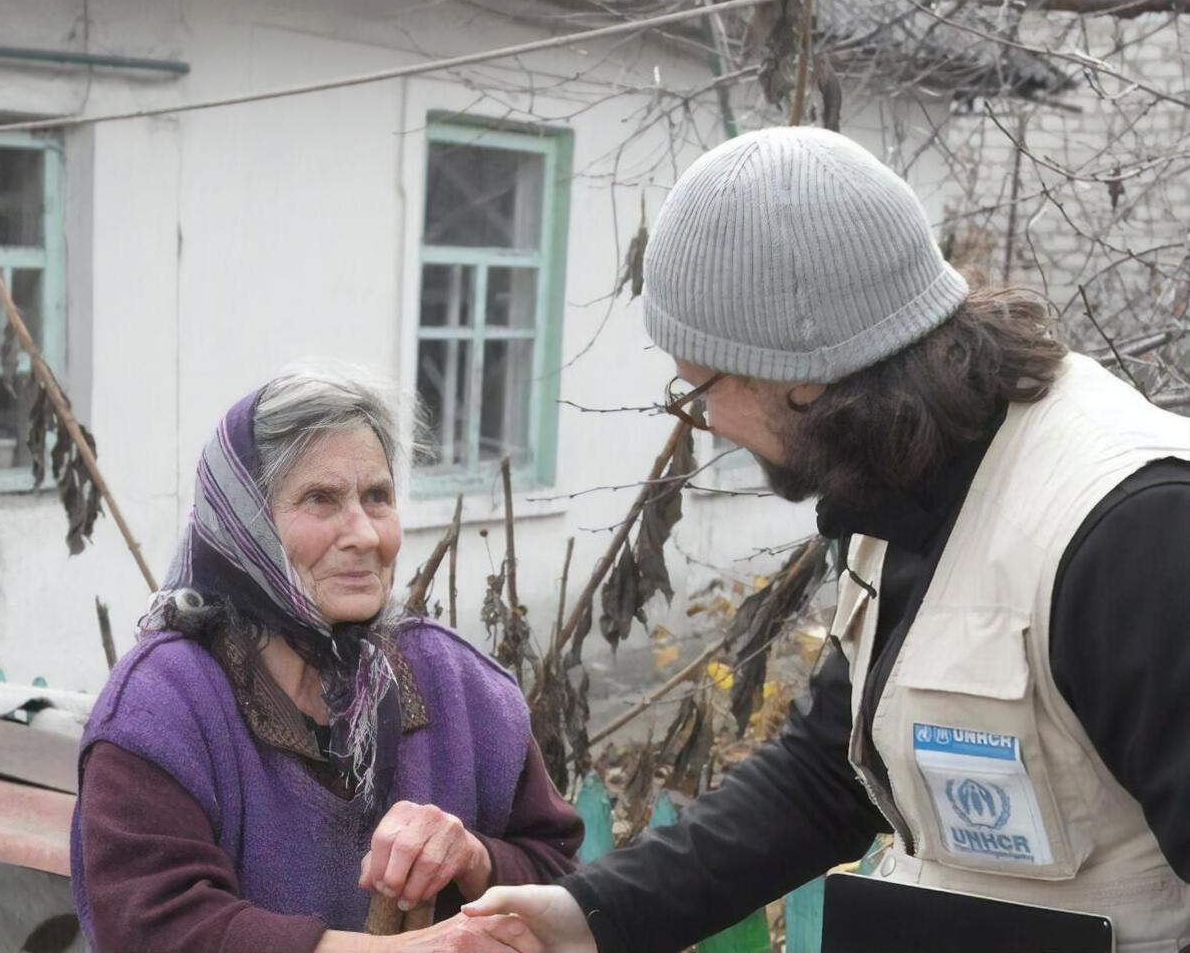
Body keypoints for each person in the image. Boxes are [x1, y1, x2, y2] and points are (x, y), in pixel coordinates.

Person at [464, 127, 1190, 952]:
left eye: (698, 386)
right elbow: (828, 775)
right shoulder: (904, 481)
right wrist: (593, 913)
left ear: (803, 374)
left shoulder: (1132, 533)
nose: (705, 422)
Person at [69, 368, 581, 953]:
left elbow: (564, 882)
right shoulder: (161, 707)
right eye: (321, 499)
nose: (364, 533)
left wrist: (473, 857)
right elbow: (151, 927)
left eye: (377, 497)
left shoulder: (460, 688)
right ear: (246, 528)